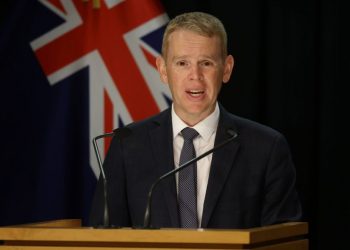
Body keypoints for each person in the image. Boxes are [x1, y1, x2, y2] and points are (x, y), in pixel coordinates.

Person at [88, 11, 302, 229]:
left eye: (206, 63)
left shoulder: (266, 148)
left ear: (226, 69)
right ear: (163, 69)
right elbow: (103, 234)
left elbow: (283, 238)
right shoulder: (128, 145)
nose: (195, 75)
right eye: (182, 63)